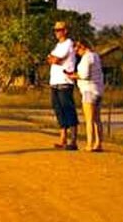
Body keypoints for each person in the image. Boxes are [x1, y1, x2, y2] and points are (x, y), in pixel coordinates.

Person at [66, 39, 105, 152]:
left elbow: (84, 75)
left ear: (82, 47)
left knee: (89, 119)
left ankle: (89, 143)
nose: (77, 51)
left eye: (77, 49)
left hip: (88, 90)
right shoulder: (96, 56)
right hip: (98, 90)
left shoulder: (86, 58)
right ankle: (98, 143)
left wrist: (73, 76)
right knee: (97, 119)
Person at [46, 21, 79, 150]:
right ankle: (63, 138)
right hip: (55, 81)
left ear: (65, 30)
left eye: (59, 30)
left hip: (65, 82)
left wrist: (53, 59)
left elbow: (55, 60)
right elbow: (49, 59)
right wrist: (52, 59)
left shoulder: (68, 44)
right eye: (55, 30)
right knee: (59, 110)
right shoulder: (57, 46)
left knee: (68, 110)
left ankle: (73, 140)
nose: (56, 32)